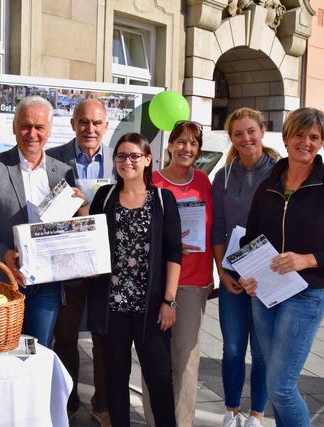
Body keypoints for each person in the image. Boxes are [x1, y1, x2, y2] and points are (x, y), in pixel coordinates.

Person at [239, 107, 324, 426]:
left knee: (281, 387)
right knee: (274, 382)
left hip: (306, 296)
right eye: (299, 134)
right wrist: (248, 276)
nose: (306, 142)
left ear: (322, 142)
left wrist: (308, 259)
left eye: (314, 137)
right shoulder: (268, 184)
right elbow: (250, 239)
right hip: (265, 295)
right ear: (286, 138)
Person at [0, 95, 88, 348]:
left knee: (39, 352)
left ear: (49, 131)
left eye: (39, 127)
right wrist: (4, 254)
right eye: (25, 125)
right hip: (2, 282)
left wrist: (81, 206)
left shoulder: (62, 172)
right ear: (14, 127)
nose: (32, 133)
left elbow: (70, 229)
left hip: (46, 286)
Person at [87, 132, 181, 427]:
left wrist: (169, 301)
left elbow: (174, 254)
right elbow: (90, 241)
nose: (127, 162)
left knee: (159, 378)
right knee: (115, 378)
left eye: (134, 156)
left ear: (147, 160)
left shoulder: (163, 200)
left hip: (151, 307)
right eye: (121, 156)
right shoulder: (104, 197)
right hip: (112, 306)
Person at [210, 107, 280, 427]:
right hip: (234, 275)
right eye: (238, 133)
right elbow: (218, 228)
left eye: (251, 131)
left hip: (270, 272)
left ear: (262, 131)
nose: (245, 138)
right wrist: (222, 274)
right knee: (234, 348)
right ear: (231, 138)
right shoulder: (223, 177)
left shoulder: (280, 171)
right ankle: (232, 411)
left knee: (263, 351)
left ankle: (256, 415)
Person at [142, 121, 213, 426]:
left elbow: (214, 228)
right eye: (181, 142)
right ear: (169, 146)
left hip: (194, 282)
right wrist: (169, 245)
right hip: (156, 284)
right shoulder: (151, 182)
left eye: (193, 144)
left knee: (185, 363)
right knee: (155, 362)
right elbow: (140, 231)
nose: (187, 148)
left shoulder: (204, 182)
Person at [47, 99, 112, 425]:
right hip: (67, 264)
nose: (90, 129)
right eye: (84, 122)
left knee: (103, 337)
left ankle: (102, 403)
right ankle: (69, 402)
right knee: (66, 337)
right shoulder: (54, 159)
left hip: (104, 267)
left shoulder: (120, 160)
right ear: (73, 124)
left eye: (97, 123)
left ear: (106, 126)